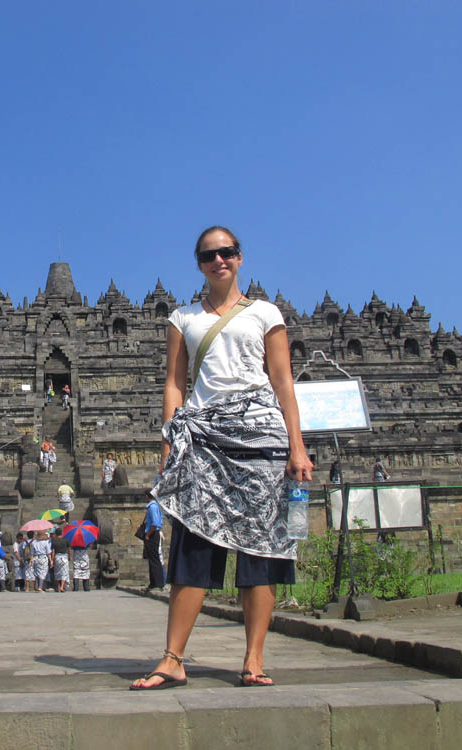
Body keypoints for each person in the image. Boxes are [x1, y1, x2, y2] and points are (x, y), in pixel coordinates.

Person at [132, 225, 312, 691]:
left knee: (260, 551)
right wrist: (170, 441)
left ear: (240, 257)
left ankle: (253, 658)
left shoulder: (266, 313)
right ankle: (172, 658)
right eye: (210, 255)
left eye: (227, 252)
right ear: (199, 263)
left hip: (262, 442)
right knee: (193, 550)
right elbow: (175, 382)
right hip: (203, 440)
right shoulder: (183, 318)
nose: (220, 261)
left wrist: (298, 444)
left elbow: (282, 380)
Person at [142, 497, 165, 590]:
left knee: (154, 559)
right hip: (153, 533)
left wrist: (148, 535)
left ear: (147, 496)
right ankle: (154, 583)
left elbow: (155, 523)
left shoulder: (152, 507)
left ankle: (157, 583)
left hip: (152, 534)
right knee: (152, 559)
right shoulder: (155, 506)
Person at [51, 527, 70, 592]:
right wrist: (70, 556)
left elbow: (53, 551)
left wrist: (52, 560)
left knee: (57, 572)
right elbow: (68, 550)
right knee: (64, 573)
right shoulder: (66, 540)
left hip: (57, 557)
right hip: (64, 557)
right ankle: (62, 587)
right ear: (62, 533)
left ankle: (56, 587)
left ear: (56, 534)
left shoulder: (54, 541)